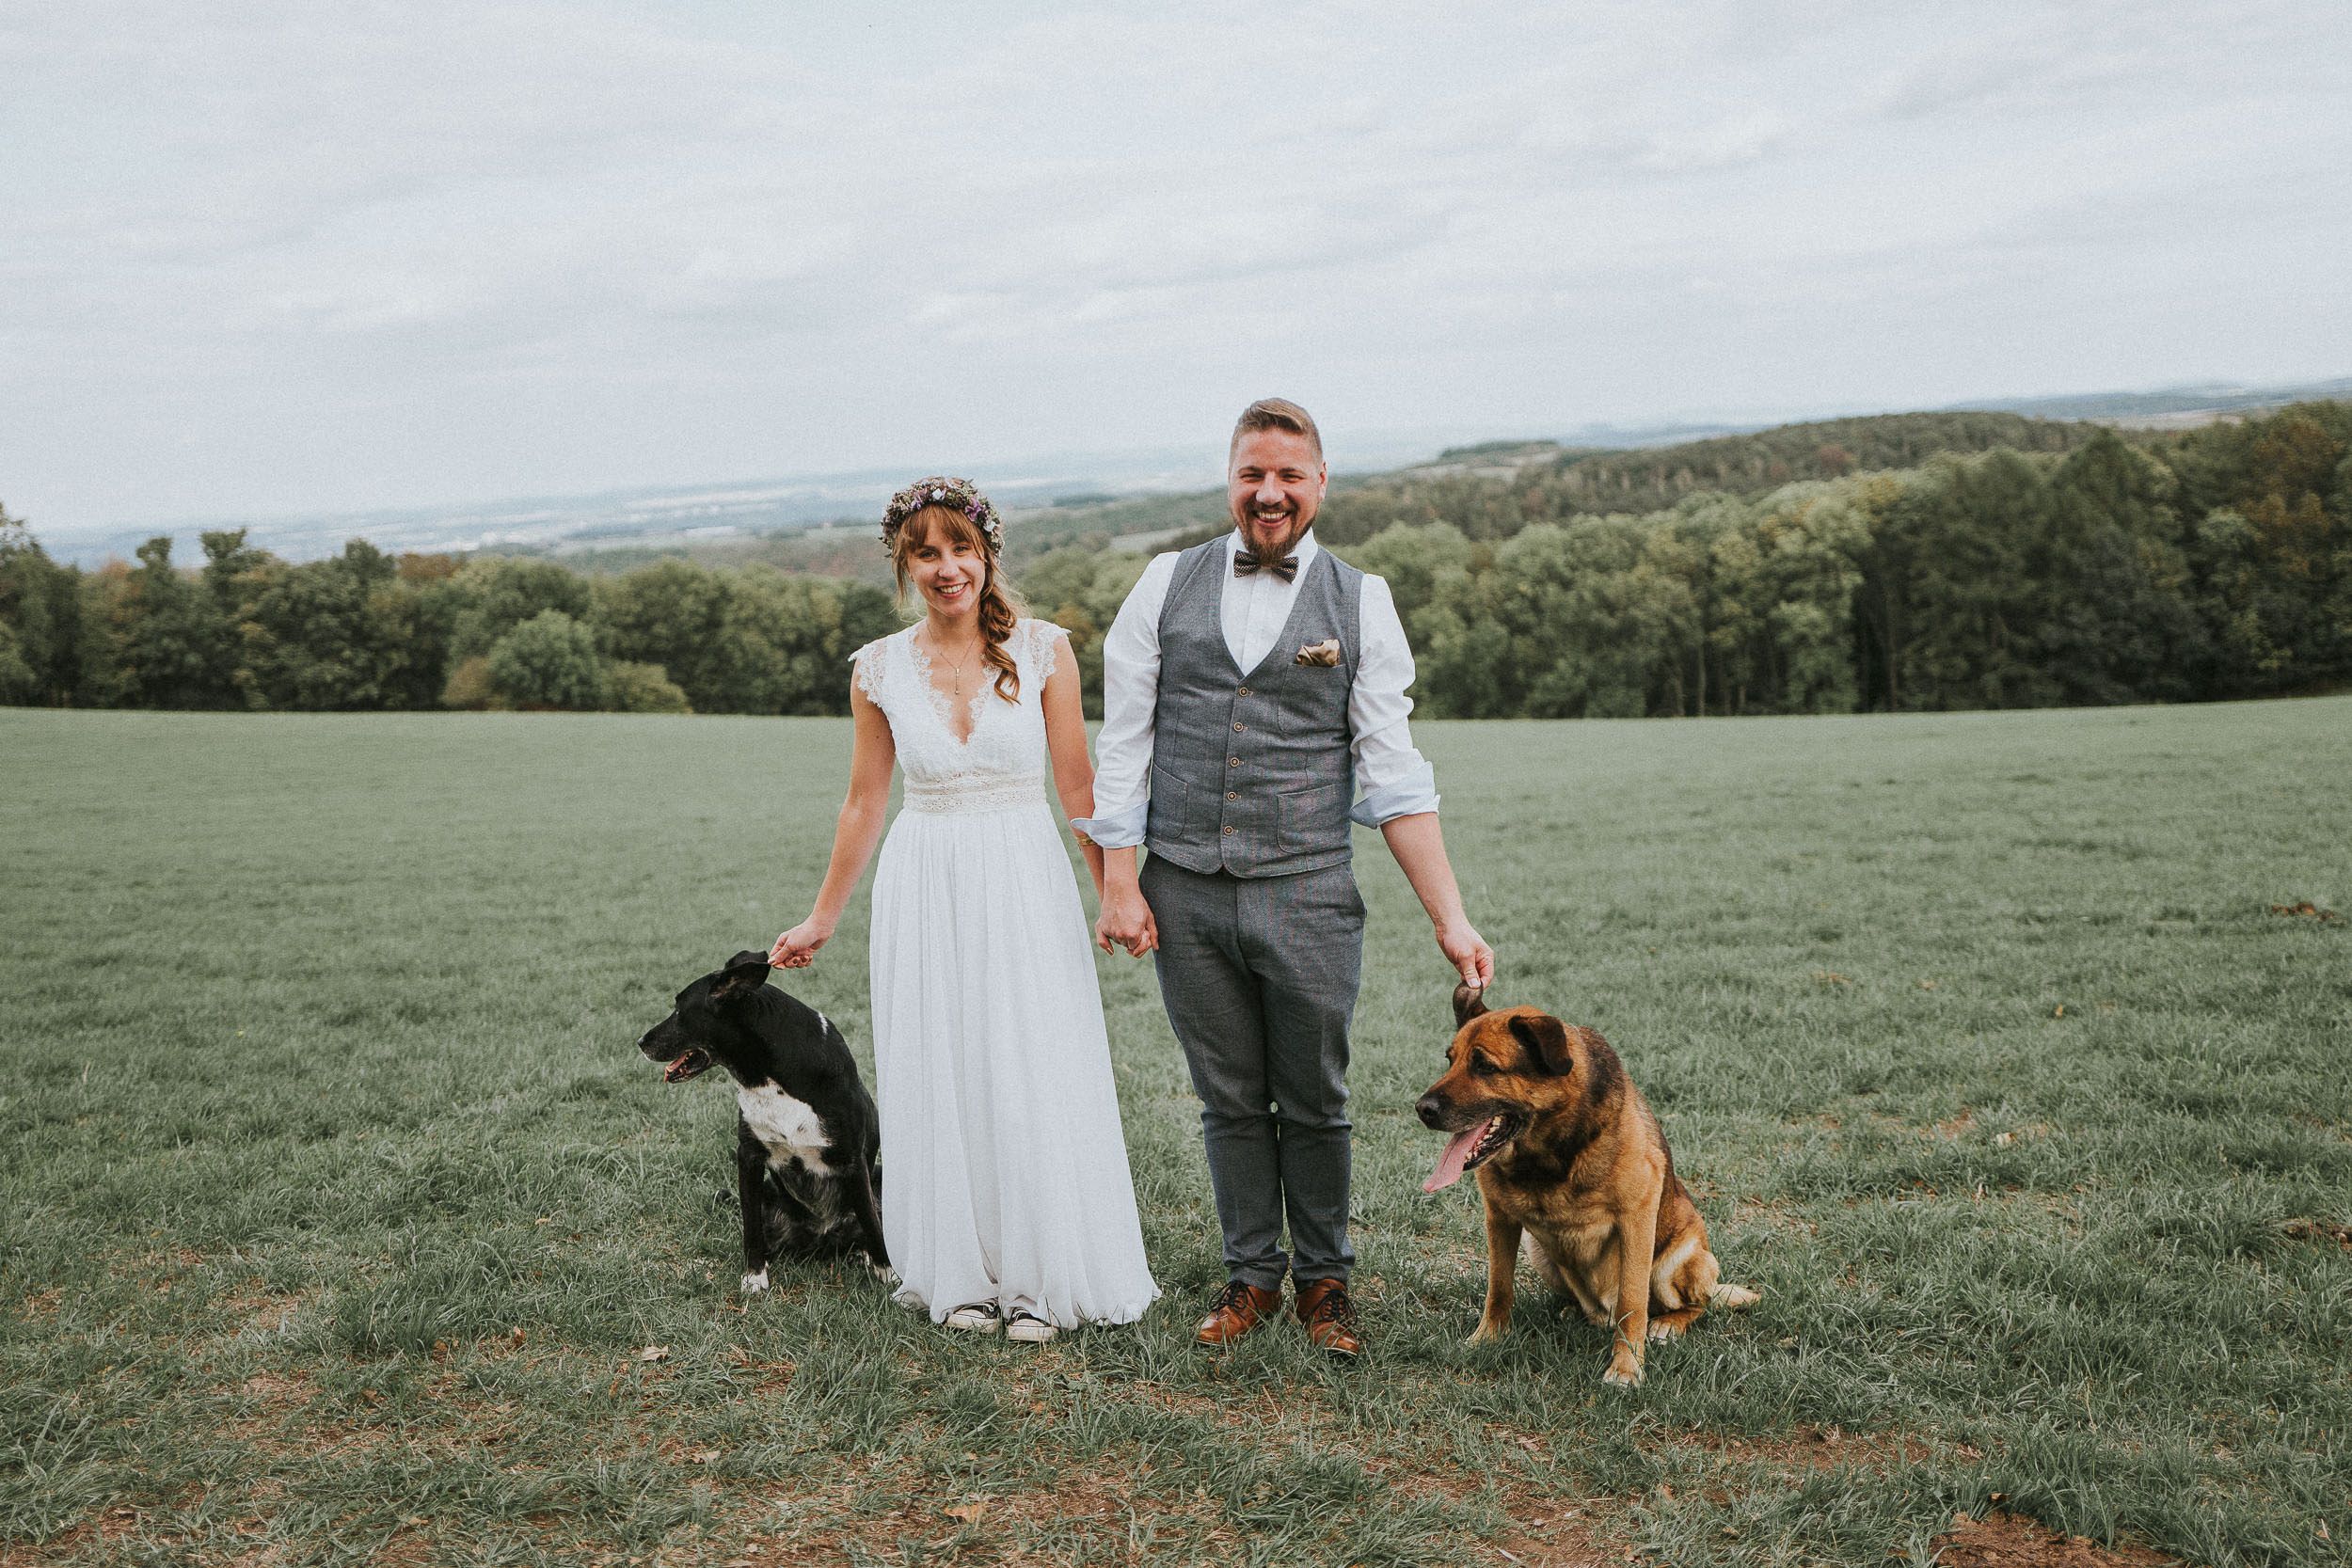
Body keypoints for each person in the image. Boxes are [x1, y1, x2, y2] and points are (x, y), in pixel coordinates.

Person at [1078, 399, 1494, 1358]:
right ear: (1230, 478)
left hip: (1308, 889)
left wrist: (1450, 916)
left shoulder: (1363, 600)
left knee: (1314, 1096)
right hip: (1182, 885)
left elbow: (1392, 771)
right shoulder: (1160, 582)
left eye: (1289, 475)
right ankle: (1249, 1275)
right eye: (1251, 474)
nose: (1268, 493)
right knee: (1228, 1095)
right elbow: (1126, 741)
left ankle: (1326, 1282)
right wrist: (1119, 881)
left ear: (1319, 483)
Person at [771, 477, 1158, 1343]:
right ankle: (965, 1271)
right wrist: (821, 917)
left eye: (961, 548)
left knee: (1025, 1064)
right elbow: (865, 802)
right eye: (926, 553)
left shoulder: (1047, 649)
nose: (947, 568)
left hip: (1021, 875)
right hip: (925, 880)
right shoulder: (877, 668)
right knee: (942, 1066)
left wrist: (1116, 894)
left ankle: (1035, 1275)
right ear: (904, 567)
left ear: (987, 553)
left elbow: (1076, 784)